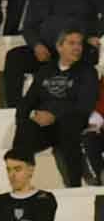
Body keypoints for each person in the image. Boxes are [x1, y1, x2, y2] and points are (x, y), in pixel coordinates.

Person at [13, 28, 96, 187]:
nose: (77, 48)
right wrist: (26, 119)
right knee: (25, 128)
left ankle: (74, 185)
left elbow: (85, 105)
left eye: (79, 44)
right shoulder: (45, 71)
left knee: (69, 126)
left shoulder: (87, 72)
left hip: (72, 122)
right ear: (59, 47)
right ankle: (20, 183)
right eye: (71, 43)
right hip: (46, 126)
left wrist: (54, 115)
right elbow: (27, 101)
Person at [2, 0, 102, 109]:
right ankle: (14, 110)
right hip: (47, 49)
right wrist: (37, 45)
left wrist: (94, 35)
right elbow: (29, 27)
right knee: (14, 57)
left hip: (79, 46)